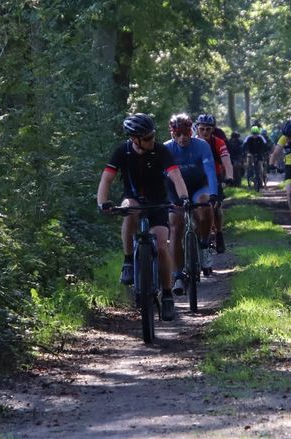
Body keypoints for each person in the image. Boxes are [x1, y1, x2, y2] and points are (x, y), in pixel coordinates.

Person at [96, 113, 190, 321]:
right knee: (129, 210)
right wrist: (102, 202)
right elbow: (106, 179)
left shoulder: (161, 151)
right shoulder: (123, 151)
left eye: (153, 135)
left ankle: (166, 295)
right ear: (134, 139)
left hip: (159, 201)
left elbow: (176, 175)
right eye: (147, 138)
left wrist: (183, 197)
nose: (152, 140)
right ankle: (129, 261)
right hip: (134, 197)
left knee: (162, 245)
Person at [163, 113, 218, 296]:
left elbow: (210, 170)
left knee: (205, 207)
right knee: (175, 227)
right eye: (178, 134)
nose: (182, 138)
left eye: (186, 133)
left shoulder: (201, 146)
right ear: (172, 134)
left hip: (198, 186)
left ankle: (203, 245)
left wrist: (214, 194)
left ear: (191, 132)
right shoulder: (166, 149)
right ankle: (178, 274)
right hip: (175, 191)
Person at [194, 113, 235, 255]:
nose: (205, 132)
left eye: (208, 129)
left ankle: (218, 233)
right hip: (195, 178)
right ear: (197, 129)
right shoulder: (191, 143)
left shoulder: (218, 143)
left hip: (214, 177)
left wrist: (229, 176)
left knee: (216, 208)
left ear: (213, 130)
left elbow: (227, 161)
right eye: (202, 129)